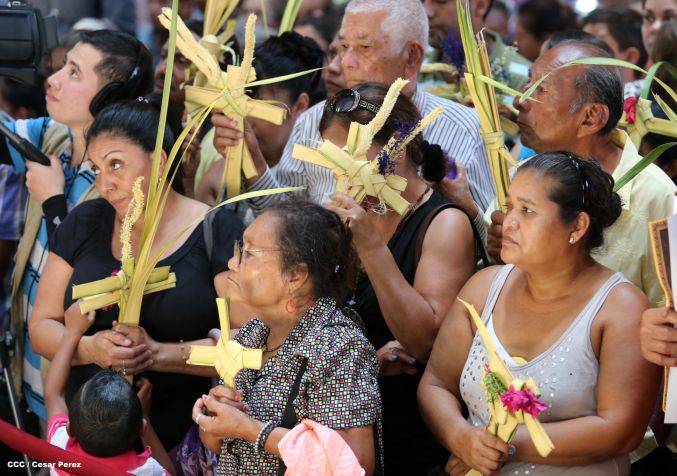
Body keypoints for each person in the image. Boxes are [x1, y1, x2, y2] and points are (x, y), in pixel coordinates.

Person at [420, 152, 660, 475]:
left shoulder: (620, 310)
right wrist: (461, 437)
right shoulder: (483, 288)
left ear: (577, 226)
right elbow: (435, 384)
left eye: (527, 211)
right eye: (509, 207)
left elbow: (621, 429)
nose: (509, 222)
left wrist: (500, 444)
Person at [29, 99, 244, 450]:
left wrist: (156, 353)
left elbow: (248, 343)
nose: (105, 184)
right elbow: (41, 327)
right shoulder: (84, 222)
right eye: (97, 169)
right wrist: (90, 347)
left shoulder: (216, 231)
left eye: (116, 165)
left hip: (180, 446)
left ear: (159, 161)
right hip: (85, 444)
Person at [212, 0, 495, 234]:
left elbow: (493, 249)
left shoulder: (462, 127)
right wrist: (254, 164)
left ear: (411, 57)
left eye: (364, 48)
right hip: (325, 299)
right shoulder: (312, 122)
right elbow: (287, 225)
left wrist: (467, 210)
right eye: (344, 47)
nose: (345, 62)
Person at [319, 83, 478, 473]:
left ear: (398, 146)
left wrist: (372, 249)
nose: (342, 174)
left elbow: (425, 343)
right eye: (332, 161)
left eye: (352, 159)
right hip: (344, 429)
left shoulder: (444, 224)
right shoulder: (350, 216)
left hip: (411, 438)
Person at [0, 29, 154, 422]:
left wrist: (53, 203)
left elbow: (82, 285)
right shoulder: (54, 137)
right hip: (28, 368)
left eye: (73, 73)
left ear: (106, 97)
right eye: (61, 67)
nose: (52, 80)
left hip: (74, 388)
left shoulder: (121, 184)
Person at [193, 201, 382, 475]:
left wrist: (249, 429)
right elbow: (222, 447)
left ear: (295, 276)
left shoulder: (338, 346)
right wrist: (214, 420)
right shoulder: (252, 334)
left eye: (248, 252)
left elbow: (353, 462)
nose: (232, 263)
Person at [487, 41, 676, 308]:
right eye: (528, 82)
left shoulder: (656, 196)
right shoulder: (519, 177)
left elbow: (668, 317)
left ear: (591, 117)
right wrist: (498, 251)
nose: (520, 100)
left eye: (541, 90)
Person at [196, 31, 325, 214]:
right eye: (239, 104)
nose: (246, 120)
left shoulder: (315, 174)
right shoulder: (219, 173)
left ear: (300, 106)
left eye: (259, 107)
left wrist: (254, 166)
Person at [44, 303, 172, 475]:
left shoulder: (61, 453)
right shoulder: (147, 471)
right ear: (142, 429)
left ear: (70, 428)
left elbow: (53, 394)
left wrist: (71, 333)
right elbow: (169, 471)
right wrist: (144, 414)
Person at [421, 0, 530, 90]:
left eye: (441, 1)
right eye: (421, 1)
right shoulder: (412, 69)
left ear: (480, 6)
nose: (426, 11)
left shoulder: (524, 80)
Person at [582, 7, 648, 98]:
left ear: (630, 57)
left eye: (596, 44)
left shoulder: (651, 105)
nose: (581, 55)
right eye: (581, 43)